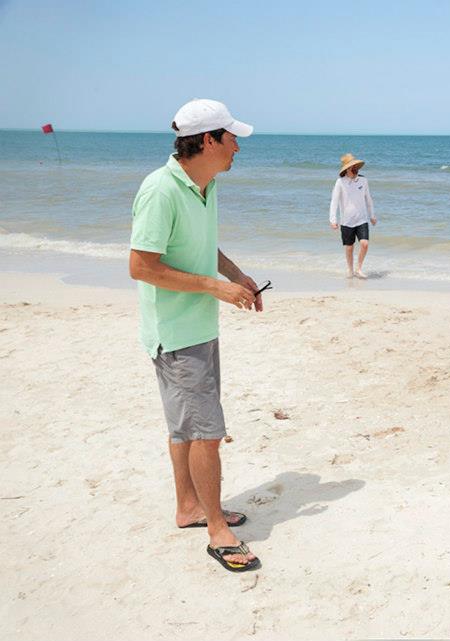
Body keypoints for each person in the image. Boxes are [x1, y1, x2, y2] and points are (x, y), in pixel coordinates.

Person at [129, 99, 262, 572]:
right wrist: (213, 286)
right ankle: (216, 531)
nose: (237, 148)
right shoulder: (160, 190)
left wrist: (237, 276)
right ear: (208, 140)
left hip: (199, 324)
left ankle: (189, 507)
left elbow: (205, 244)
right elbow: (141, 266)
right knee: (208, 432)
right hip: (176, 332)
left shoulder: (204, 185)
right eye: (232, 139)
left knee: (186, 427)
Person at [330, 153, 377, 279]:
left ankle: (359, 269)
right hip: (346, 222)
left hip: (362, 219)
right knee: (349, 248)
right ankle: (350, 270)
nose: (356, 169)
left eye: (356, 167)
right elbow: (334, 201)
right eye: (353, 167)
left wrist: (372, 215)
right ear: (347, 169)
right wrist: (333, 220)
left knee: (364, 244)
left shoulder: (363, 180)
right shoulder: (340, 182)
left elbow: (368, 199)